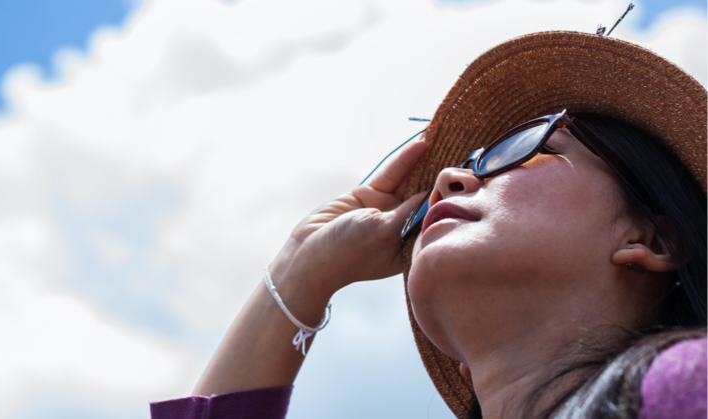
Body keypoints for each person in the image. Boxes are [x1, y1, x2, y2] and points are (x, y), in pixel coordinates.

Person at [150, 31, 707, 419]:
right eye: (464, 161)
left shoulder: (686, 385)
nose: (450, 177)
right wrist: (300, 270)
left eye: (522, 148)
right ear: (465, 367)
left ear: (651, 239)